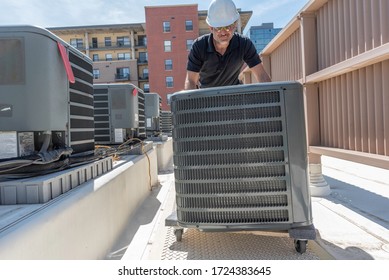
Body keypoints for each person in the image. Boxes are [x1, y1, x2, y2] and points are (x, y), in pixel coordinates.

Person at [184, 0, 271, 90]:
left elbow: (261, 75)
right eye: (218, 28)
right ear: (211, 28)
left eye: (227, 27)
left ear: (234, 25)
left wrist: (272, 97)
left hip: (234, 96)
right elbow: (191, 80)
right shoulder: (199, 46)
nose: (223, 32)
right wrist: (190, 101)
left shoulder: (244, 44)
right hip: (207, 97)